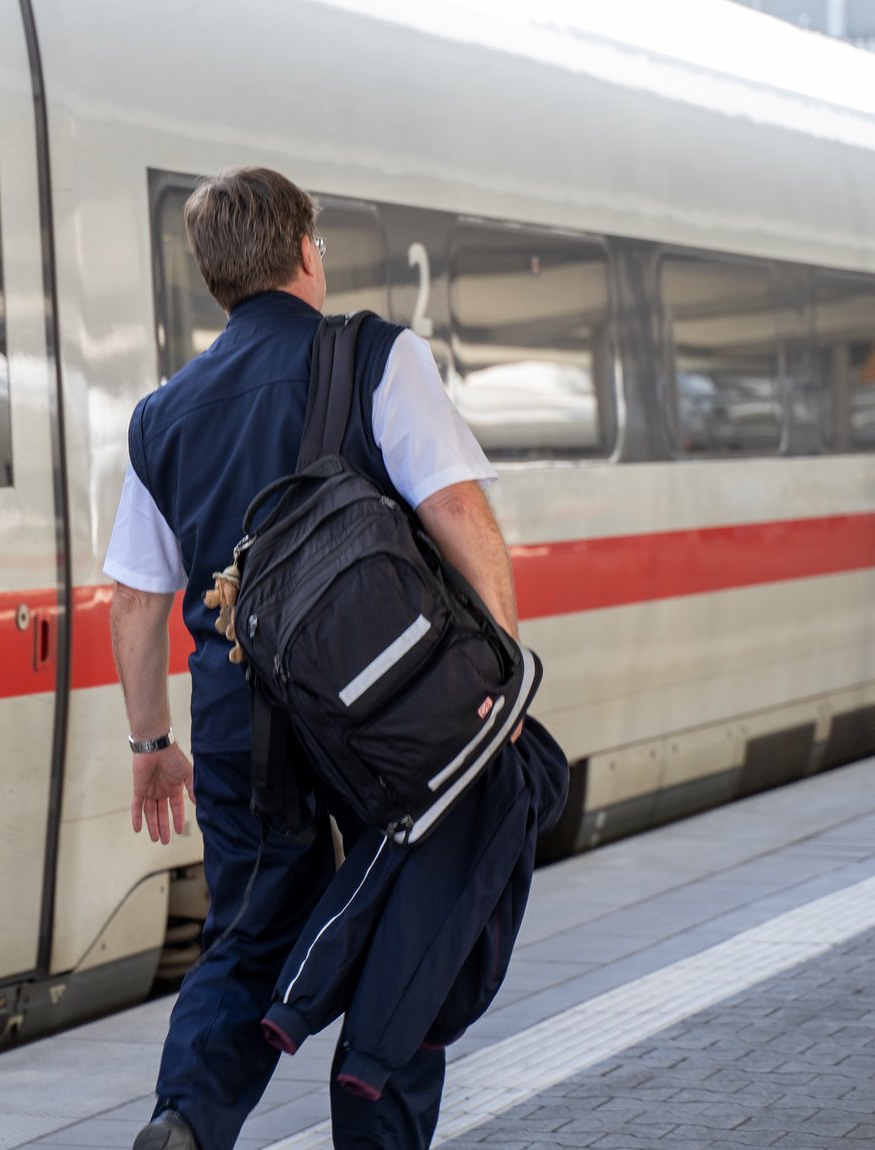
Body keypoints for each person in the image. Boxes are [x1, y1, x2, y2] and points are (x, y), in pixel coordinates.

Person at [105, 166, 562, 1150]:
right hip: (383, 705)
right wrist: (501, 677)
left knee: (243, 931)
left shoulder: (160, 415)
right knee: (419, 897)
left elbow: (138, 600)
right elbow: (455, 515)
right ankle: (370, 1098)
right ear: (306, 252)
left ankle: (184, 1116)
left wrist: (150, 742)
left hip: (237, 717)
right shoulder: (371, 357)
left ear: (215, 279)